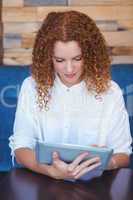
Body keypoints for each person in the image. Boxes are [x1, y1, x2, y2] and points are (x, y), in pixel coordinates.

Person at [9, 10, 132, 181]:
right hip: (45, 183)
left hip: (96, 186)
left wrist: (106, 162)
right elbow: (21, 147)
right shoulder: (31, 87)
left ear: (89, 54)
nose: (69, 69)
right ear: (48, 57)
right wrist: (51, 171)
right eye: (60, 60)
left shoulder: (111, 92)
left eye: (77, 58)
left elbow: (123, 154)